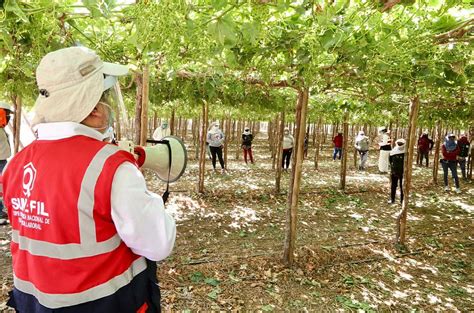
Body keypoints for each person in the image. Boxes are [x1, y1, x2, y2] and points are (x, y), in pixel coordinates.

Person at [2, 47, 176, 312]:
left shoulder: (15, 164)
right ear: (94, 109)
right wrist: (147, 194)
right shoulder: (111, 167)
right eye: (108, 100)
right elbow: (158, 244)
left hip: (33, 304)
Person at [0, 101, 13, 225]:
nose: (9, 116)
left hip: (3, 160)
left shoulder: (1, 127)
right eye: (7, 113)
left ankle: (1, 211)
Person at [389, 139, 406, 204]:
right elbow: (390, 161)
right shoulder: (393, 151)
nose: (400, 145)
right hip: (395, 171)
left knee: (402, 186)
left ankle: (402, 200)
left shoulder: (406, 152)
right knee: (394, 186)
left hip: (402, 171)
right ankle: (393, 199)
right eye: (399, 143)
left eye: (401, 144)